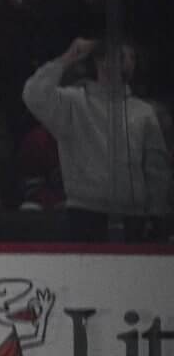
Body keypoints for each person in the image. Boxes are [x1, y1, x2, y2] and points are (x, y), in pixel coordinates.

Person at [22, 40, 172, 233]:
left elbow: (156, 169)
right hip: (85, 213)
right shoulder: (74, 103)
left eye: (132, 57)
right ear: (101, 61)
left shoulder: (144, 112)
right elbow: (33, 94)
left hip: (134, 216)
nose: (128, 63)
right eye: (121, 57)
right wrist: (67, 58)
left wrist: (157, 215)